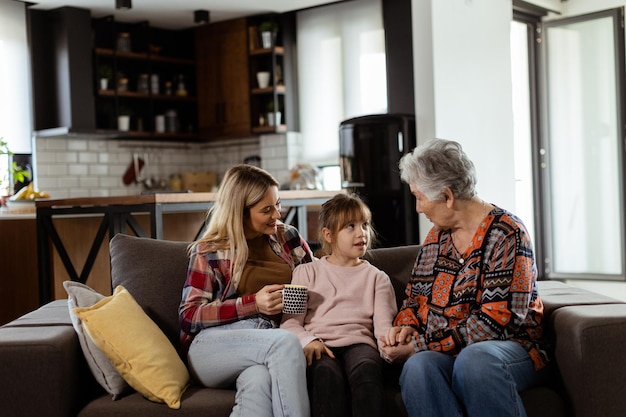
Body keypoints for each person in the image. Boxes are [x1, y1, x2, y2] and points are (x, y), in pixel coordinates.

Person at [379, 139, 548, 417]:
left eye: (420, 197)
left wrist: (420, 345)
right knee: (418, 367)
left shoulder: (507, 233)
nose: (418, 208)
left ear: (447, 196)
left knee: (475, 361)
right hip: (449, 353)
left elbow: (495, 324)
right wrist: (405, 328)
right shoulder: (437, 237)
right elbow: (414, 298)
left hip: (509, 350)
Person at [179, 164, 314, 417]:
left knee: (258, 381)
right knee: (285, 343)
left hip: (266, 344)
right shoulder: (210, 250)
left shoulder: (289, 238)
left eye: (278, 204)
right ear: (241, 213)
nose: (277, 214)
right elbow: (189, 316)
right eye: (266, 209)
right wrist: (253, 304)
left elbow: (316, 284)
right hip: (211, 349)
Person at [281, 193, 397, 417]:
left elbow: (383, 330)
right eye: (350, 226)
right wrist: (309, 340)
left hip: (360, 345)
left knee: (366, 369)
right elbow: (289, 324)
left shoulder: (378, 278)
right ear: (329, 234)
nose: (361, 233)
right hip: (320, 345)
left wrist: (394, 349)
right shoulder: (304, 272)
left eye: (364, 225)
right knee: (325, 373)